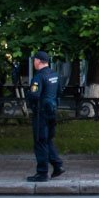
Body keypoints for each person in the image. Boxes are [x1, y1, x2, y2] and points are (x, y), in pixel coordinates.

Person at [26, 50, 63, 182]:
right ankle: (57, 165)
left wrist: (28, 94)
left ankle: (42, 173)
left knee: (40, 141)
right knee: (48, 140)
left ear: (38, 61)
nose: (34, 62)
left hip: (41, 113)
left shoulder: (38, 77)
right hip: (52, 112)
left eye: (34, 60)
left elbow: (35, 95)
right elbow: (59, 92)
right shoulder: (54, 74)